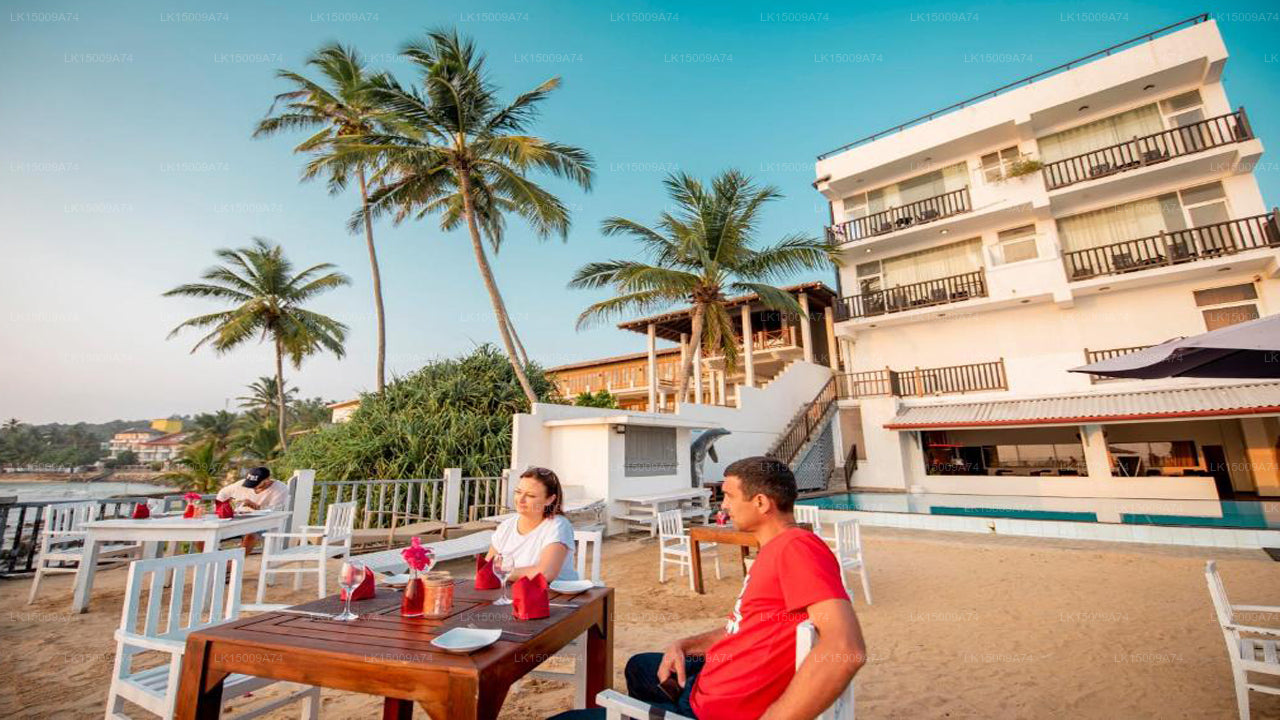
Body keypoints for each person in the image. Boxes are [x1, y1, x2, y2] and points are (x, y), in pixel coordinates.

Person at [550, 456, 866, 720]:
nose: (723, 505)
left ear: (760, 502)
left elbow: (846, 649)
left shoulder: (796, 548)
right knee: (639, 667)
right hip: (709, 682)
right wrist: (686, 645)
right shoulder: (776, 549)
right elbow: (741, 628)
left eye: (728, 496)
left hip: (711, 708)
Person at [486, 466, 578, 582]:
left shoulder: (558, 525)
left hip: (553, 592)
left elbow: (545, 573)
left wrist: (503, 570)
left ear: (549, 499)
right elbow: (487, 568)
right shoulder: (506, 527)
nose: (521, 500)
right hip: (514, 591)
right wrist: (499, 571)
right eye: (518, 492)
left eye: (530, 495)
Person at [215, 466, 289, 555]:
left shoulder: (280, 488)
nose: (252, 487)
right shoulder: (241, 484)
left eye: (255, 484)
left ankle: (233, 562)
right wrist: (222, 507)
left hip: (264, 522)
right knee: (207, 534)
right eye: (250, 483)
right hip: (239, 519)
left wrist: (255, 506)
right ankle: (217, 559)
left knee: (252, 534)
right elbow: (223, 493)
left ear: (267, 480)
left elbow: (275, 511)